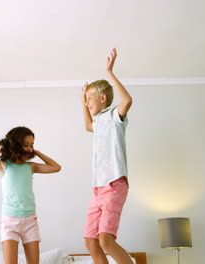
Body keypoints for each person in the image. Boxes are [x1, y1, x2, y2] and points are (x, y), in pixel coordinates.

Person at [0, 126, 61, 264]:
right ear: (16, 145)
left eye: (32, 145)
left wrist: (37, 152)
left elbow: (56, 167)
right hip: (9, 221)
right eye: (26, 145)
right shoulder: (2, 165)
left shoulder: (31, 166)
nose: (30, 149)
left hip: (30, 221)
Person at [81, 48, 134, 264]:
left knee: (105, 241)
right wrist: (81, 99)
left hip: (114, 184)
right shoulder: (98, 122)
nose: (87, 103)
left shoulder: (114, 116)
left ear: (103, 98)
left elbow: (127, 100)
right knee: (90, 241)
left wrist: (110, 72)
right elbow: (87, 125)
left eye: (89, 99)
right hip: (97, 188)